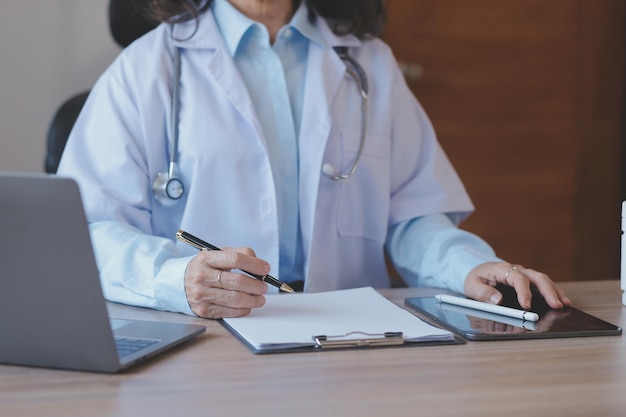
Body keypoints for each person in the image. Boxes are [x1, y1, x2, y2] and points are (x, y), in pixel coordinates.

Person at [57, 0, 571, 319]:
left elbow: (413, 215)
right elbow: (88, 232)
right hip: (204, 337)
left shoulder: (368, 63)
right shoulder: (144, 70)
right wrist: (176, 281)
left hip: (355, 340)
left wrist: (467, 266)